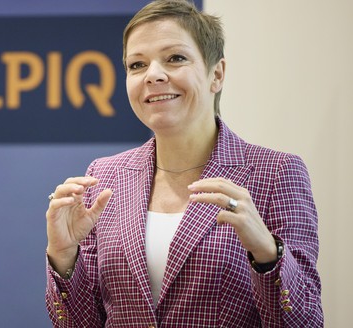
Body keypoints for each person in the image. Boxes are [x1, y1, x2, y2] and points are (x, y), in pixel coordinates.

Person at [44, 0, 323, 327]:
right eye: (137, 65)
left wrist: (266, 253)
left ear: (216, 74)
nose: (153, 75)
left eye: (175, 58)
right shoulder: (103, 177)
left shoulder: (276, 173)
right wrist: (63, 256)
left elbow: (305, 320)